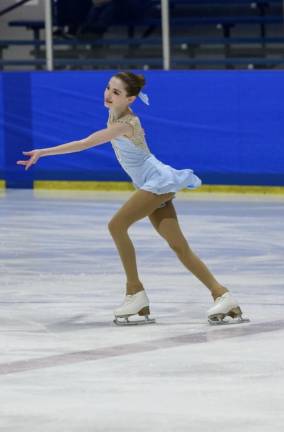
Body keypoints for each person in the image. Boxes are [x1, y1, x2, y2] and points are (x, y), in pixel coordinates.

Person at [17, 71, 249, 326]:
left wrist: (44, 152)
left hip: (157, 181)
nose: (108, 94)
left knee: (116, 225)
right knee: (178, 246)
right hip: (154, 182)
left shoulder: (125, 124)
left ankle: (134, 291)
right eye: (108, 88)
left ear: (130, 99)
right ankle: (222, 295)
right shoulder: (114, 115)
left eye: (116, 92)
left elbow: (84, 143)